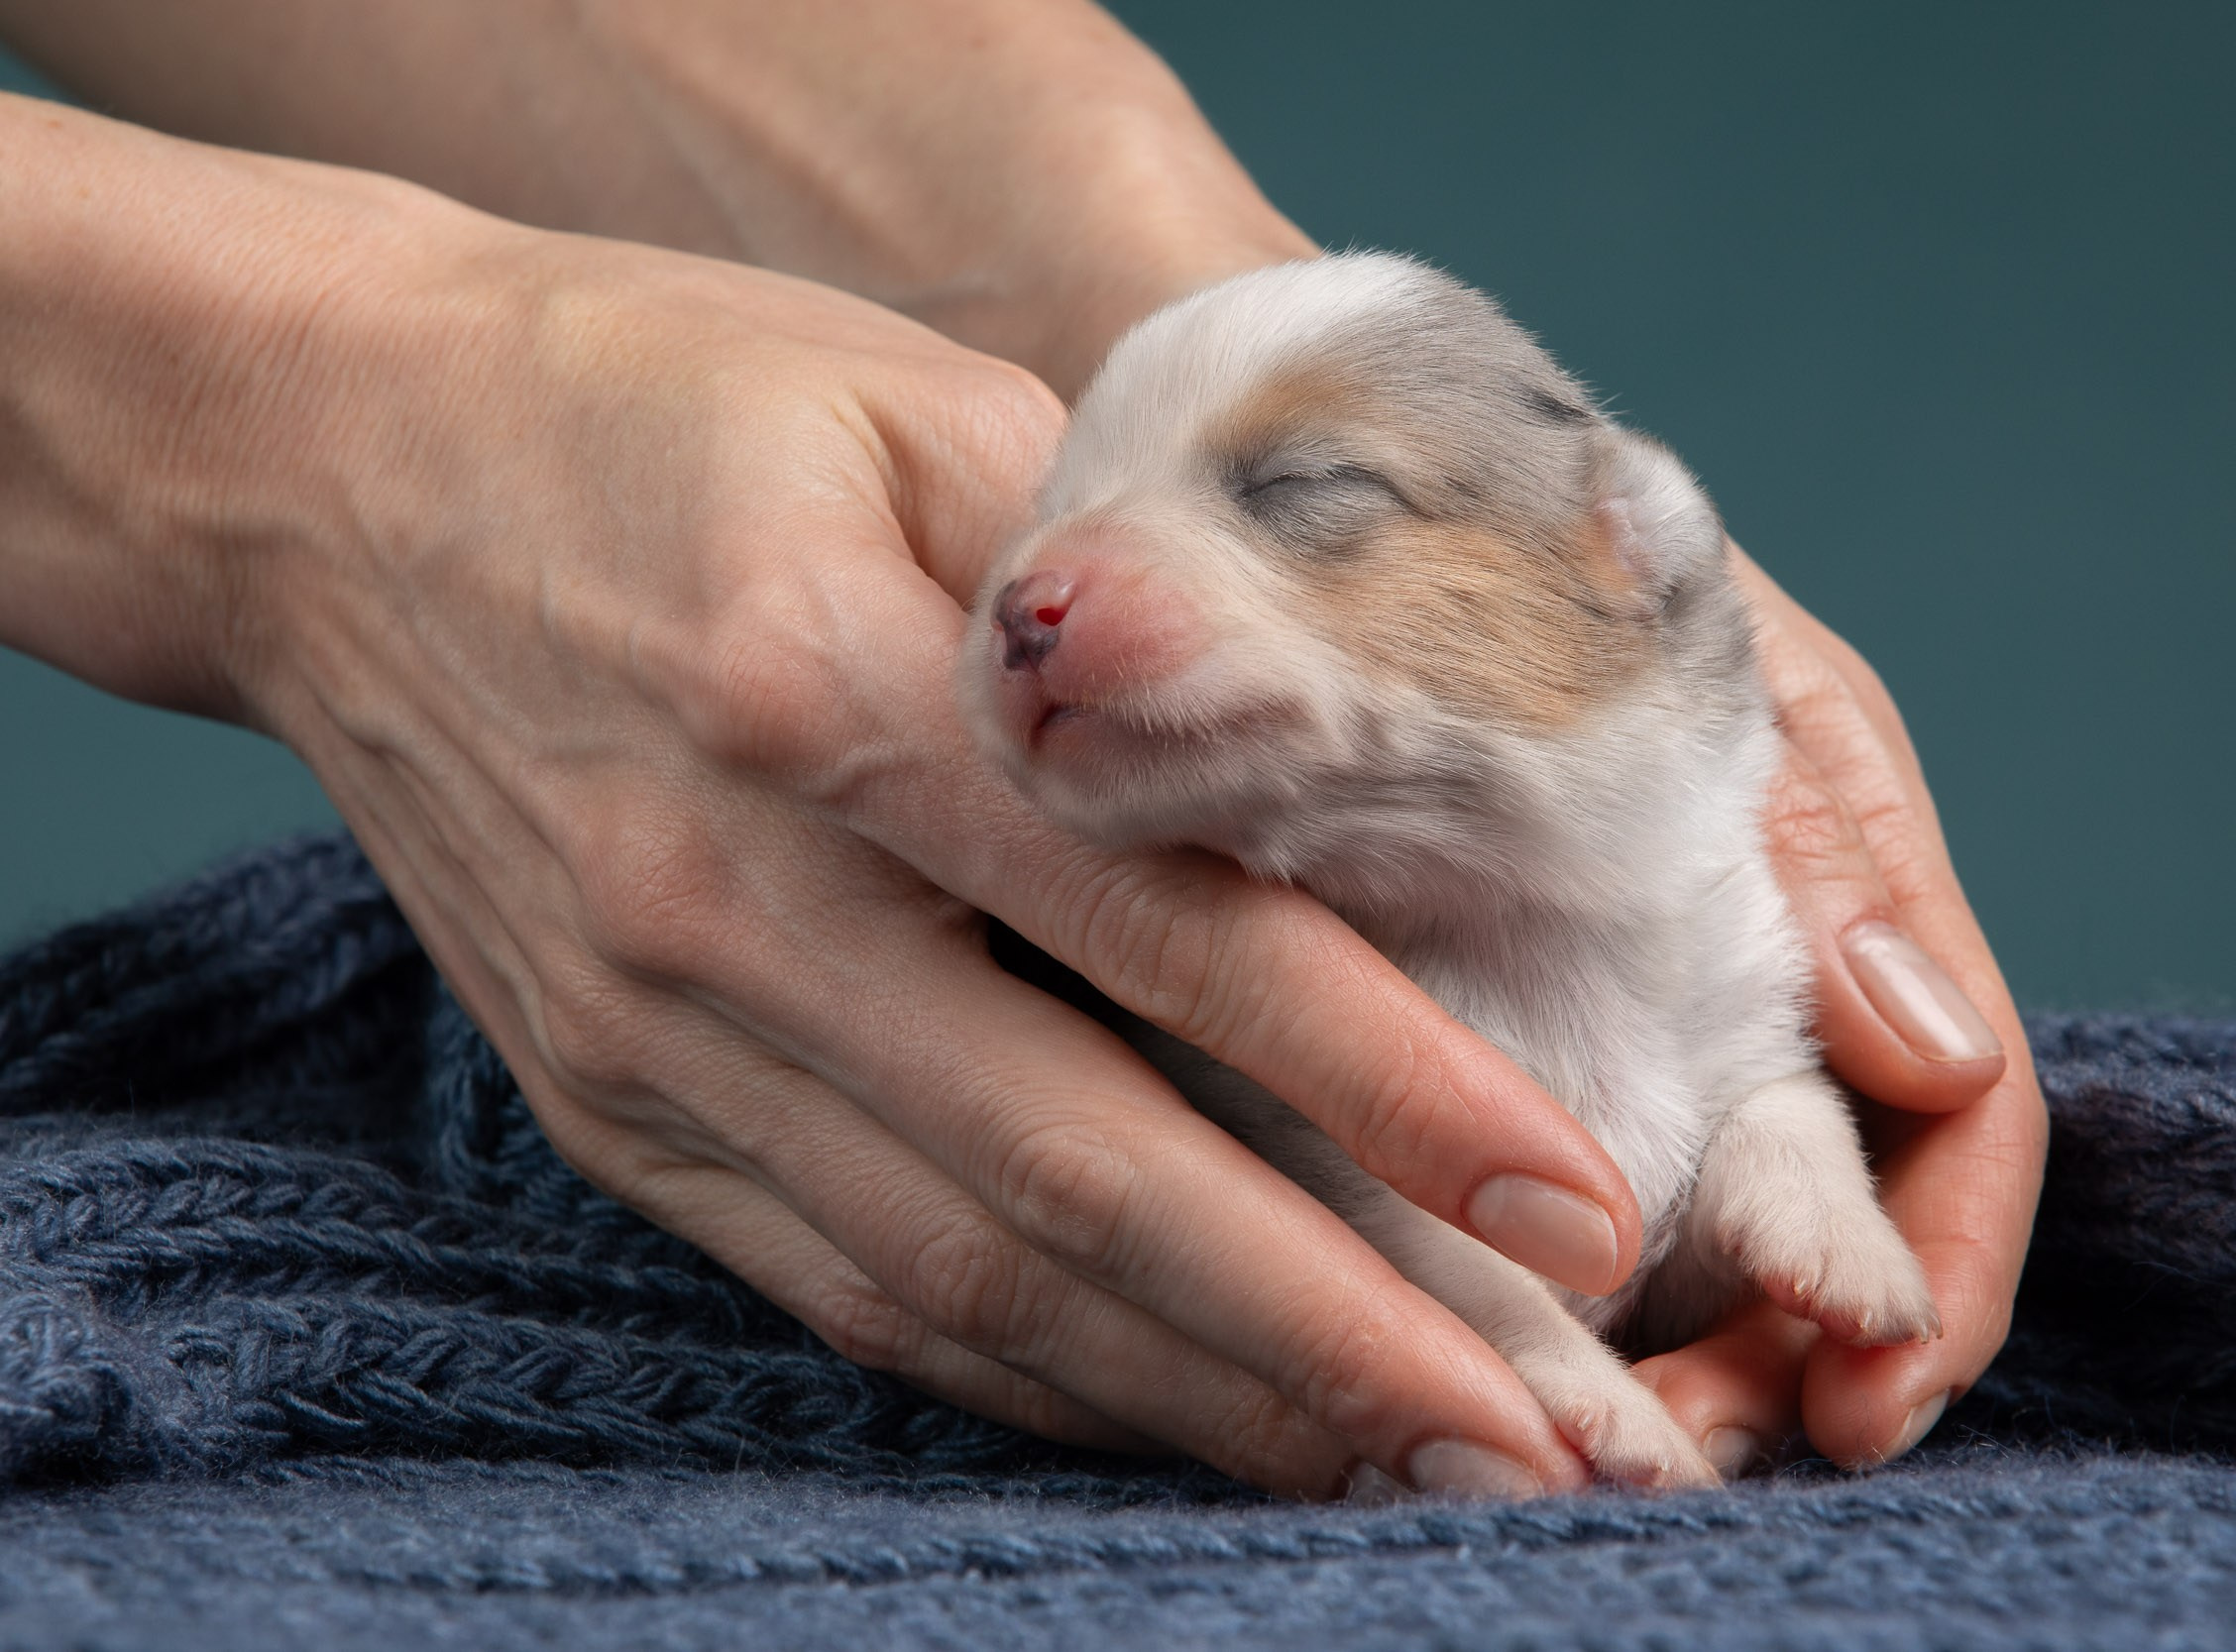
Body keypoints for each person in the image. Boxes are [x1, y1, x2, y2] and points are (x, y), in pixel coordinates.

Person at [0, 0, 2044, 1499]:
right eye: (1048, 510)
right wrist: (282, 395)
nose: (1033, 589)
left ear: (1625, 566)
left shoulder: (1674, 857)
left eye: (1297, 493)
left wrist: (1073, 231)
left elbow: (1750, 1081)